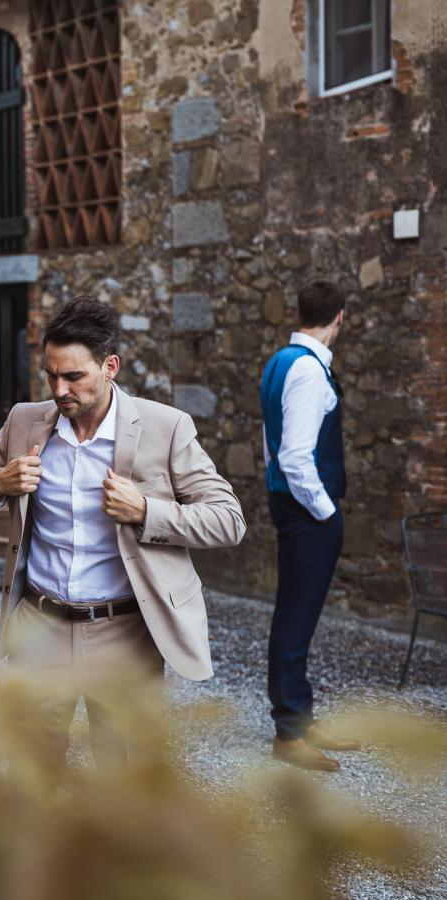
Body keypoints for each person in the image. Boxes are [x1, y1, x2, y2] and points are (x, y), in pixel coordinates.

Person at [0, 296, 245, 768]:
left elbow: (228, 519)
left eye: (73, 376)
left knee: (123, 777)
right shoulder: (24, 422)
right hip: (39, 627)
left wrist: (146, 511)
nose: (59, 389)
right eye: (51, 375)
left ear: (110, 367)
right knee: (29, 771)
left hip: (124, 633)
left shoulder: (165, 428)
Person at [261, 280, 359, 771]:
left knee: (295, 615)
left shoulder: (281, 362)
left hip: (291, 505)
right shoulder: (306, 370)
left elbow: (270, 443)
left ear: (301, 312)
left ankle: (300, 716)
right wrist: (326, 512)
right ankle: (290, 731)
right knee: (296, 619)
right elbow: (295, 456)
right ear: (339, 316)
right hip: (307, 512)